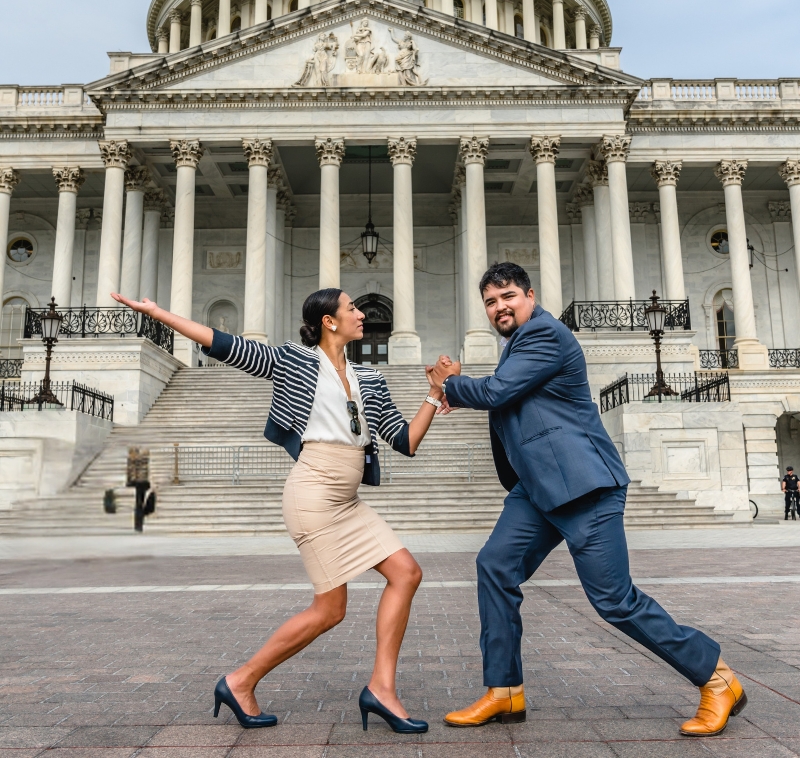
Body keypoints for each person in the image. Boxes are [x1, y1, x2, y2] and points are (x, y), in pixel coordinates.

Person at [426, 262, 747, 738]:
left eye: (508, 296)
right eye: (491, 302)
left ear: (530, 296)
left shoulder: (544, 336)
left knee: (614, 601)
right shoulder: (518, 344)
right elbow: (505, 396)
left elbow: (497, 391)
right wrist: (464, 390)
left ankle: (718, 679)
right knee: (494, 567)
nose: (500, 307)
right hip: (537, 489)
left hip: (585, 488)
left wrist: (448, 383)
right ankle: (504, 690)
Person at [112, 287, 448, 733]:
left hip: (347, 500)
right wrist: (158, 314)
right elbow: (226, 345)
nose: (361, 314)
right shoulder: (295, 361)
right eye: (352, 309)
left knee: (406, 573)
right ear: (329, 321)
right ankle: (241, 680)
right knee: (330, 610)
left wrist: (433, 392)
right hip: (312, 492)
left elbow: (403, 441)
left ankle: (380, 689)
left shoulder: (369, 378)